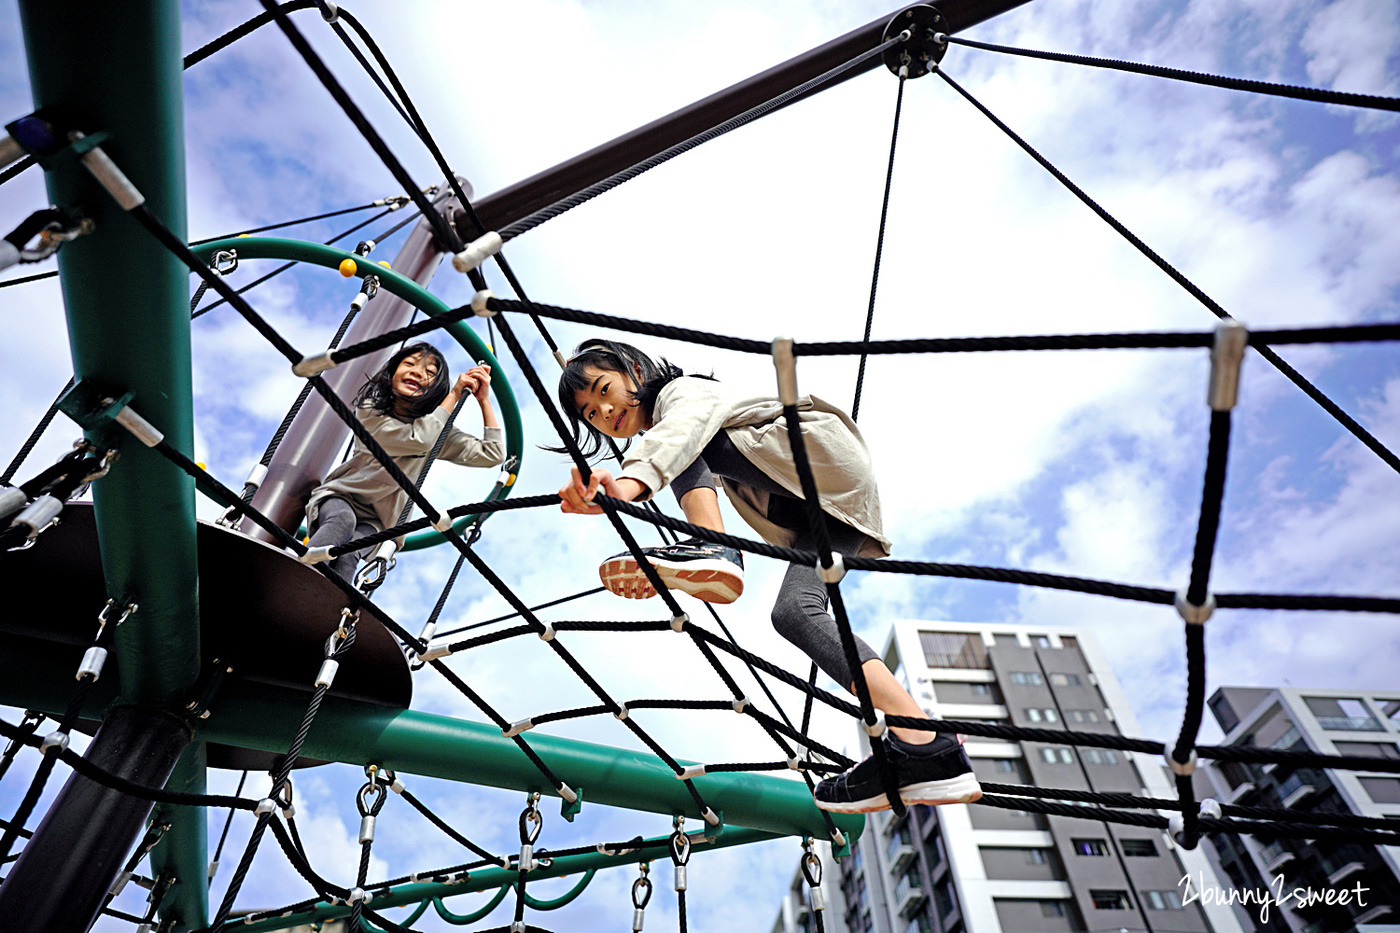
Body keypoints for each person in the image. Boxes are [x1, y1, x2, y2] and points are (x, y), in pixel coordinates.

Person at [553, 338, 981, 814]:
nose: (605, 410)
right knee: (795, 614)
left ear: (634, 368)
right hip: (827, 515)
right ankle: (925, 743)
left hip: (817, 455)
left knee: (679, 435)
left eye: (604, 390)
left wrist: (627, 484)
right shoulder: (673, 428)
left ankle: (713, 545)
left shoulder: (682, 392)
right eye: (590, 413)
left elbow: (679, 434)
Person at [306, 341, 505, 582]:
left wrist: (483, 400)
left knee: (351, 553)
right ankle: (298, 575)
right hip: (342, 497)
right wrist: (454, 394)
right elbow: (418, 440)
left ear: (435, 389)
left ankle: (331, 604)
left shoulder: (438, 431)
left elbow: (493, 454)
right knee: (342, 521)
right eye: (409, 364)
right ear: (391, 375)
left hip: (379, 520)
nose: (418, 372)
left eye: (430, 373)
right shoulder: (371, 411)